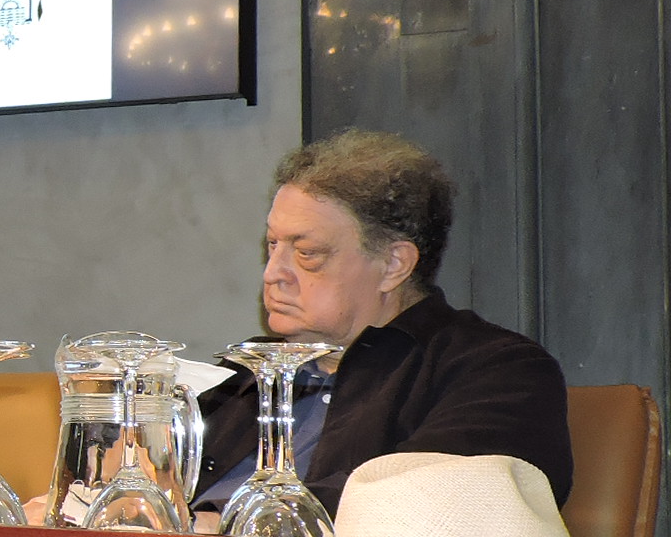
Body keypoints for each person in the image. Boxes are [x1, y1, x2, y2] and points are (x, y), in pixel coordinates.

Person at [191, 129, 573, 516]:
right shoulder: (251, 372)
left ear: (393, 265)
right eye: (273, 245)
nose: (273, 274)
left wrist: (218, 526)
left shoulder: (496, 370)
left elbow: (432, 503)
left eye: (307, 253)